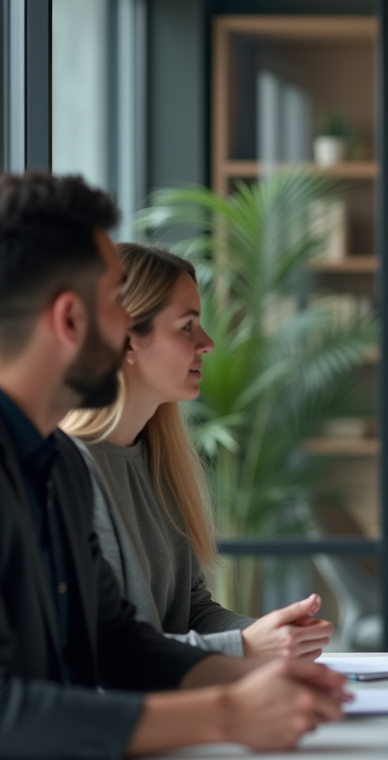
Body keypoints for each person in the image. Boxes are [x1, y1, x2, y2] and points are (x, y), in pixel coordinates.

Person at [0, 171, 347, 758]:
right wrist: (228, 710)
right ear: (69, 319)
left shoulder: (53, 465)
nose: (126, 328)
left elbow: (114, 642)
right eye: (115, 301)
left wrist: (257, 676)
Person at [61, 243, 335, 659]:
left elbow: (192, 611)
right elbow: (101, 655)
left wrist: (269, 635)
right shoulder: (69, 473)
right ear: (127, 339)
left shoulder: (160, 461)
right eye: (187, 326)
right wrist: (244, 646)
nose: (206, 343)